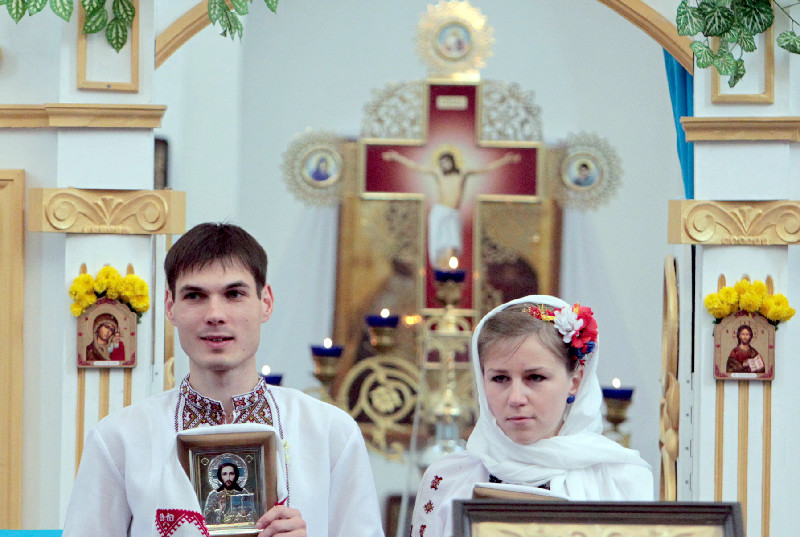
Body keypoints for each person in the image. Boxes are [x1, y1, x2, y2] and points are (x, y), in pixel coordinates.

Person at [63, 222, 384, 537]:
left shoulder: (330, 434)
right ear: (171, 307)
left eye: (234, 294)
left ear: (266, 302)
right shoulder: (120, 439)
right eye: (195, 296)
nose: (215, 314)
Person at [410, 295, 653, 537]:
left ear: (575, 382)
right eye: (500, 378)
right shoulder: (448, 479)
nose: (515, 398)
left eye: (535, 377)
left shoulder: (619, 479)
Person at [382, 148, 520, 269]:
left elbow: (485, 169)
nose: (444, 165)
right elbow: (416, 167)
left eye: (446, 162)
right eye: (441, 163)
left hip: (453, 213)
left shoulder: (463, 173)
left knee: (452, 242)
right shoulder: (438, 173)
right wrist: (396, 157)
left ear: (452, 162)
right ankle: (441, 270)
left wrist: (505, 160)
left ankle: (449, 268)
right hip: (439, 212)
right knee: (438, 243)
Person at [203, 460, 252, 525]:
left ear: (236, 475)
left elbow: (253, 515)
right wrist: (220, 510)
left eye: (231, 474)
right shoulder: (214, 495)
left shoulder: (243, 493)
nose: (228, 478)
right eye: (224, 474)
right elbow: (207, 519)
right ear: (220, 476)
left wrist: (244, 514)